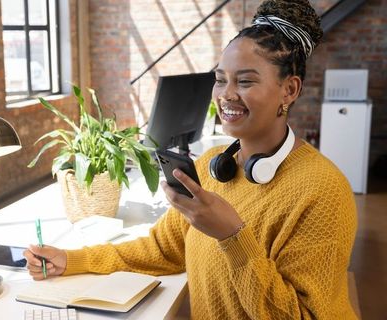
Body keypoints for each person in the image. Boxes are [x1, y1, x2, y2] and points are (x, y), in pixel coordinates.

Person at [24, 0, 358, 318]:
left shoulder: (324, 190)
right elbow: (162, 249)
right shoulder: (212, 167)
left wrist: (232, 236)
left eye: (245, 81)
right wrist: (71, 259)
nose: (226, 94)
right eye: (220, 79)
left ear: (290, 90)